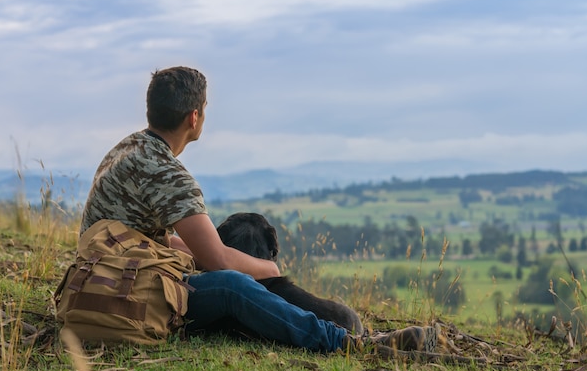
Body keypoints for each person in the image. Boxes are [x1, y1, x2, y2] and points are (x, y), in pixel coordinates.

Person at [80, 66, 436, 353]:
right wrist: (266, 267)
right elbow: (217, 260)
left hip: (99, 281)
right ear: (194, 117)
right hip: (131, 295)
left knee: (227, 275)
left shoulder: (125, 150)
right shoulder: (169, 174)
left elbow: (149, 239)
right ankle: (349, 343)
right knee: (233, 285)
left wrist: (202, 251)